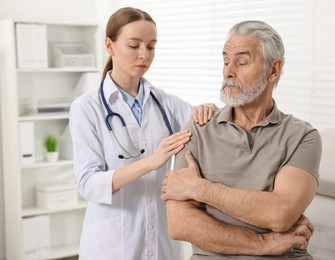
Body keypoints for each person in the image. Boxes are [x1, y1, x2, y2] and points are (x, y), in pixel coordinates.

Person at [161, 20, 322, 260]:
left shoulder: (302, 136)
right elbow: (180, 224)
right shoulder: (198, 127)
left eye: (242, 62)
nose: (228, 71)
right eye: (225, 61)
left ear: (273, 70)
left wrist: (199, 188)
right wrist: (263, 244)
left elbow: (281, 213)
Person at [69, 7, 216, 260]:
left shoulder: (163, 102)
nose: (144, 55)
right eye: (134, 45)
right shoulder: (87, 108)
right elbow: (89, 184)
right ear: (109, 45)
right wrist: (151, 162)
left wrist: (210, 109)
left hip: (161, 239)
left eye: (151, 47)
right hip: (113, 244)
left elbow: (206, 127)